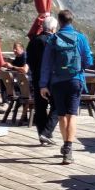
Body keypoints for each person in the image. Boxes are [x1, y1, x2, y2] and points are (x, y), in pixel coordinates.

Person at [37, 9, 93, 165]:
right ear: (71, 21)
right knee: (72, 115)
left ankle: (65, 145)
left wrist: (43, 85)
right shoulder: (80, 38)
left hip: (57, 82)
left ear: (59, 22)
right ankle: (68, 149)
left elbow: (46, 65)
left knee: (62, 115)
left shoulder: (53, 39)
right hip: (75, 80)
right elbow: (88, 61)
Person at [25, 17, 60, 146]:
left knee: (40, 107)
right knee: (56, 105)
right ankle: (47, 132)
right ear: (52, 28)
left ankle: (42, 135)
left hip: (36, 78)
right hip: (51, 79)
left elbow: (28, 60)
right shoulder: (53, 41)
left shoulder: (33, 41)